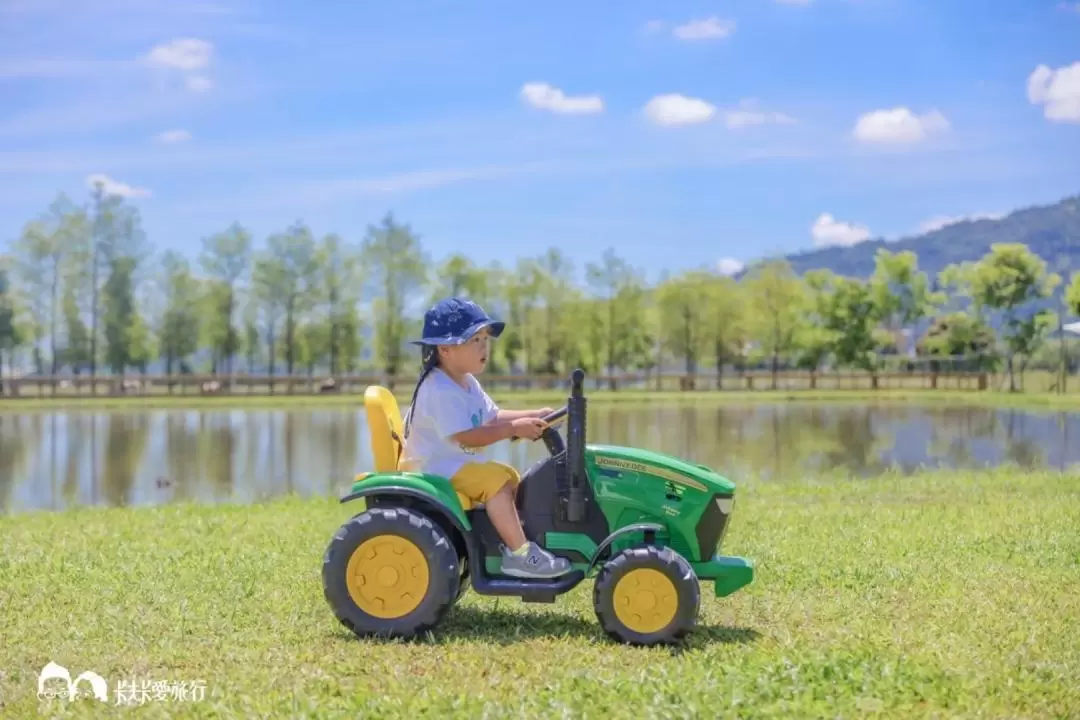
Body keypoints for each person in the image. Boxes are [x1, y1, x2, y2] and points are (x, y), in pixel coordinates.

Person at [399, 297, 573, 579]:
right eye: (474, 340)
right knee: (497, 483)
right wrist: (515, 429)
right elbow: (469, 437)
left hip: (452, 464)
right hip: (434, 468)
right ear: (445, 349)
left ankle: (510, 541)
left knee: (512, 477)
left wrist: (535, 414)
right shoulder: (439, 389)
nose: (484, 346)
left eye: (484, 339)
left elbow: (492, 417)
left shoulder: (466, 381)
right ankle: (519, 555)